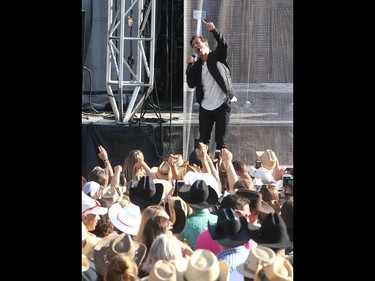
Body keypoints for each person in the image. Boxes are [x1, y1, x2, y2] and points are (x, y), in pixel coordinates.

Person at [186, 19, 236, 151]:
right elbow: (191, 83)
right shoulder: (197, 66)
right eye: (193, 45)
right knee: (203, 140)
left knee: (221, 142)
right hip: (206, 107)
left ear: (205, 43)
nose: (196, 46)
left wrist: (214, 30)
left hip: (222, 104)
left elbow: (223, 44)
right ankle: (204, 167)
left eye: (197, 42)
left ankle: (221, 169)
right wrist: (189, 66)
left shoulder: (216, 56)